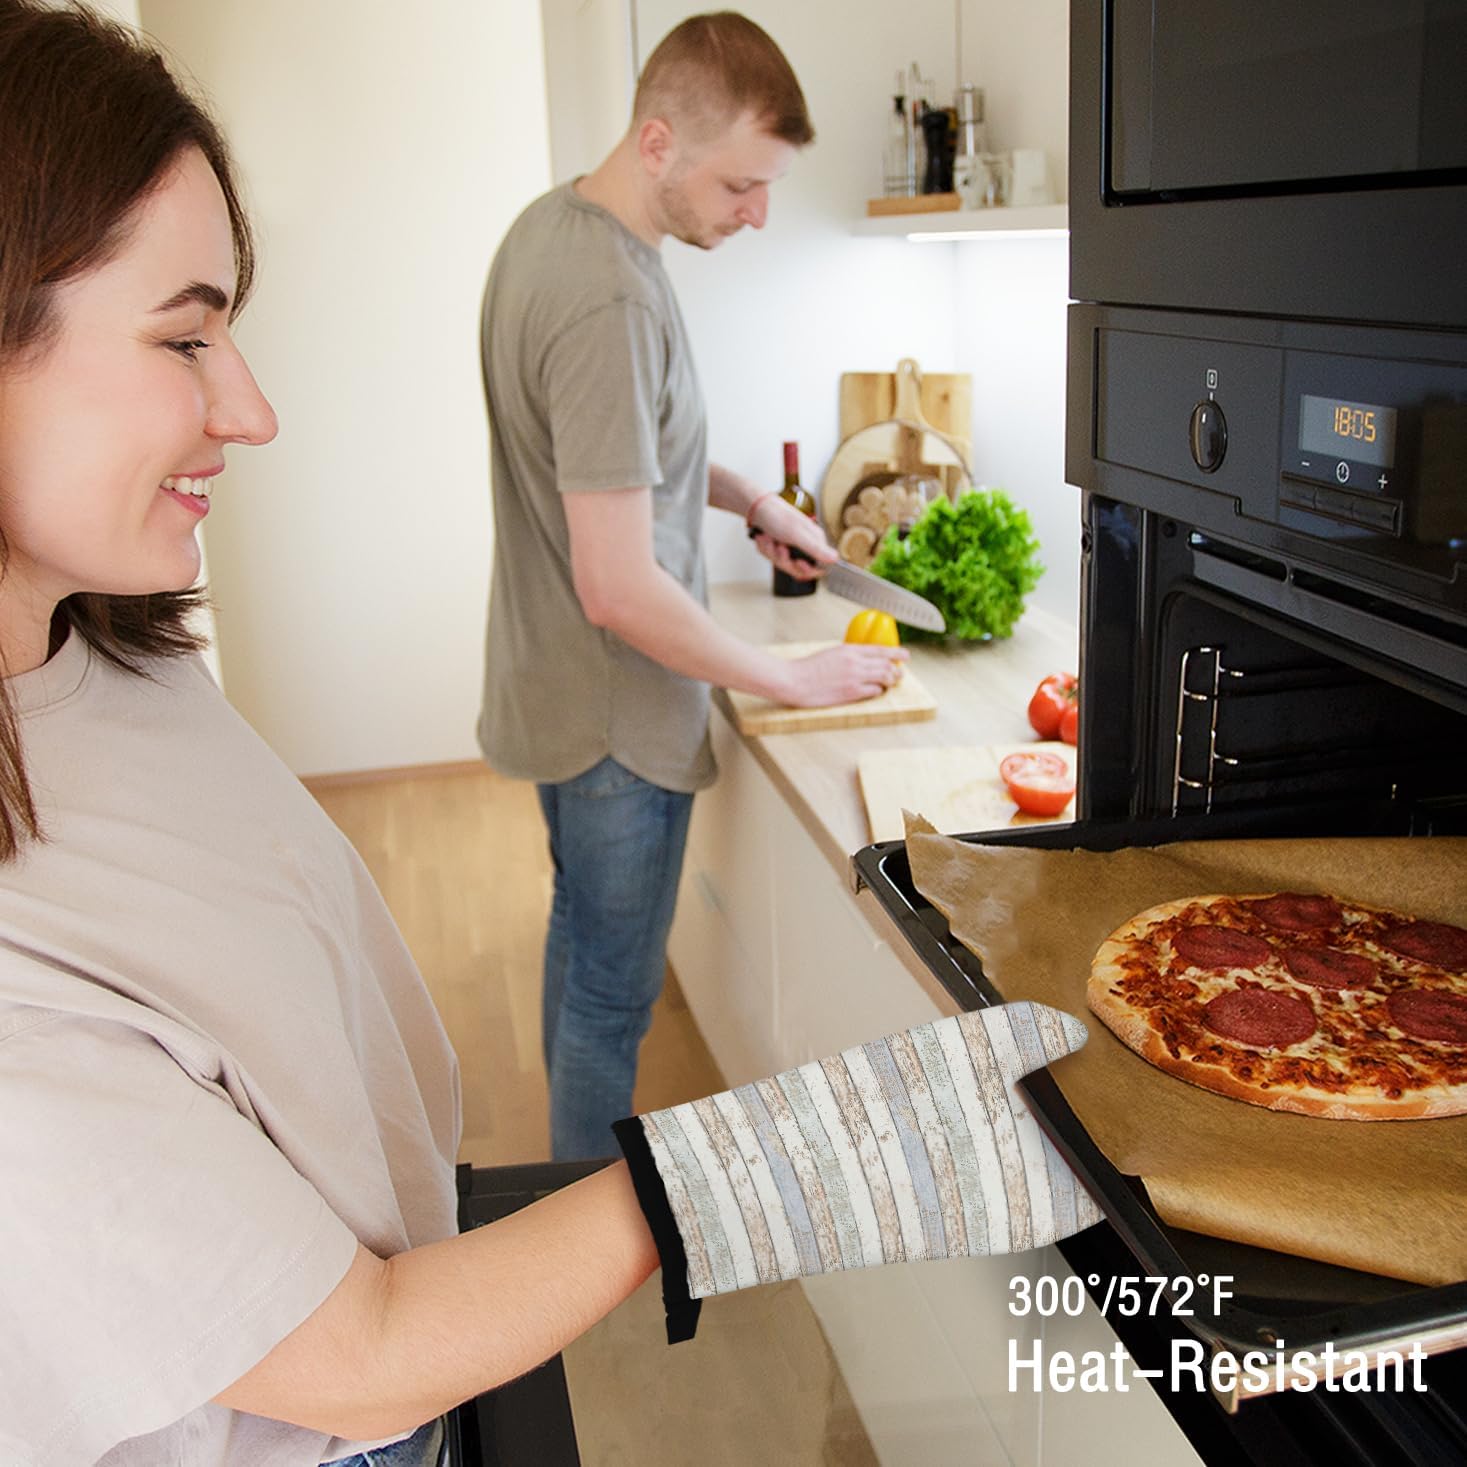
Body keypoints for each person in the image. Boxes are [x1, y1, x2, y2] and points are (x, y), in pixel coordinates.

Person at [477, 13, 907, 1162]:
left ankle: (556, 1204)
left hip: (558, 693)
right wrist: (787, 676)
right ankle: (577, 1240)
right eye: (743, 185)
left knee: (580, 958)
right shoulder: (606, 296)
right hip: (617, 716)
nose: (758, 213)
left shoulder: (552, 233)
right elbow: (616, 584)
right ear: (659, 142)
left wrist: (751, 503)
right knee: (612, 1004)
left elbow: (620, 454)